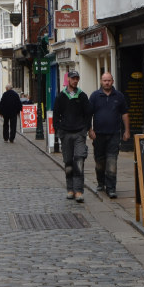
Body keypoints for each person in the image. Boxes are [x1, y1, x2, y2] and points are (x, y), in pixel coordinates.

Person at [87, 72, 130, 199]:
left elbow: (125, 114)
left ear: (113, 81)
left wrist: (127, 131)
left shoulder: (119, 96)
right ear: (101, 81)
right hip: (98, 134)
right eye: (105, 80)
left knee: (112, 161)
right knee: (99, 161)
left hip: (114, 134)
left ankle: (111, 188)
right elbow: (89, 114)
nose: (107, 83)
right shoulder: (95, 96)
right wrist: (90, 129)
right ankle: (101, 182)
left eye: (109, 80)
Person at [54, 70, 91, 202]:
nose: (75, 81)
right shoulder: (61, 97)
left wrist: (85, 129)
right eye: (73, 78)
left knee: (79, 161)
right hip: (66, 134)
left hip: (79, 134)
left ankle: (79, 191)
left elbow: (88, 114)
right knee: (68, 162)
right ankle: (70, 189)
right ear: (68, 80)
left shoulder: (82, 96)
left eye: (77, 78)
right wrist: (59, 132)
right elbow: (56, 115)